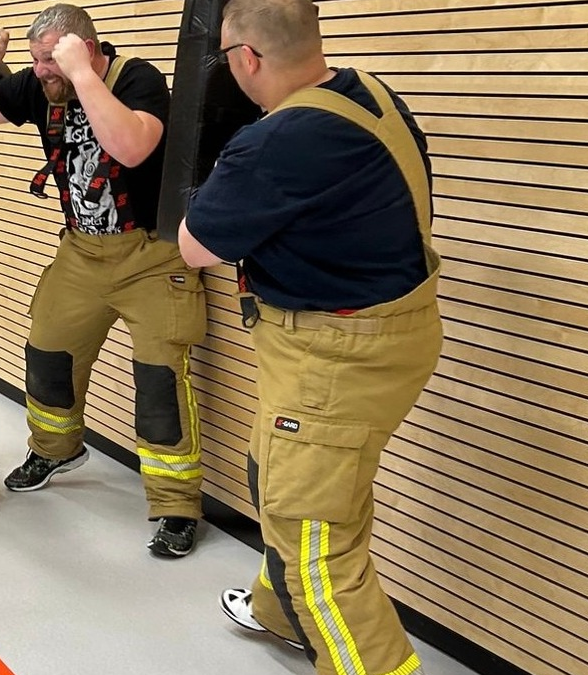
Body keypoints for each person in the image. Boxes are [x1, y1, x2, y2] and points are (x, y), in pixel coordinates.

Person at [178, 0, 442, 673]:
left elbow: (195, 245)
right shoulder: (369, 95)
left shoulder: (276, 141)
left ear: (246, 58)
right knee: (277, 470)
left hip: (336, 357)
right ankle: (280, 607)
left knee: (316, 540)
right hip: (385, 337)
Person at [0, 3, 208, 557]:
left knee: (160, 381)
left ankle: (177, 505)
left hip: (152, 255)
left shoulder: (134, 78)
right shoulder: (42, 86)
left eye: (51, 59)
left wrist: (83, 74)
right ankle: (57, 449)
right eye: (36, 59)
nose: (41, 70)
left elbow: (133, 145)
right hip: (82, 253)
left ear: (85, 50)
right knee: (47, 351)